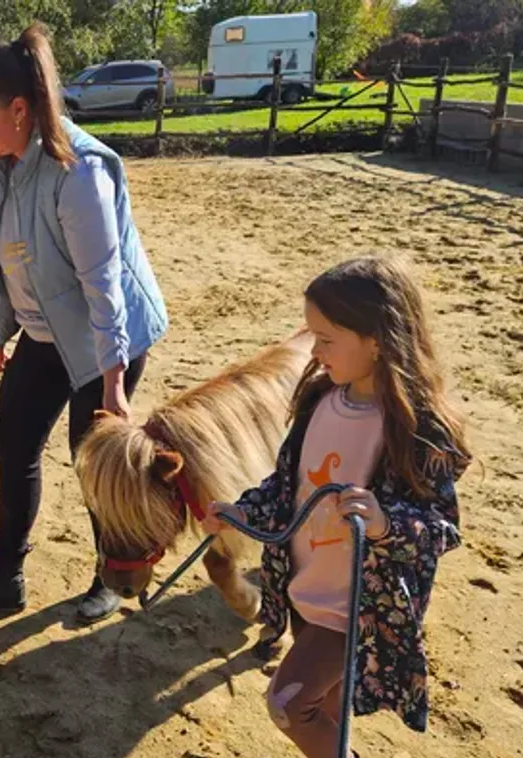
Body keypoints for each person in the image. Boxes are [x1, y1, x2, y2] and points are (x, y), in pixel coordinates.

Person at [0, 23, 169, 625]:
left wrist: (113, 384)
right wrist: (0, 324)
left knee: (90, 459)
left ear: (19, 109)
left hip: (102, 335)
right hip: (46, 332)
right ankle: (4, 577)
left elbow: (103, 286)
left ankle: (109, 577)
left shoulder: (79, 172)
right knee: (14, 438)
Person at [202, 256, 472, 757]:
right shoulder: (319, 400)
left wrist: (384, 523)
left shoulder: (417, 428)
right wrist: (241, 513)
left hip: (355, 610)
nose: (314, 350)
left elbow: (443, 529)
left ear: (377, 339)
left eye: (326, 339)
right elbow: (286, 487)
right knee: (325, 714)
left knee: (288, 704)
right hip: (305, 587)